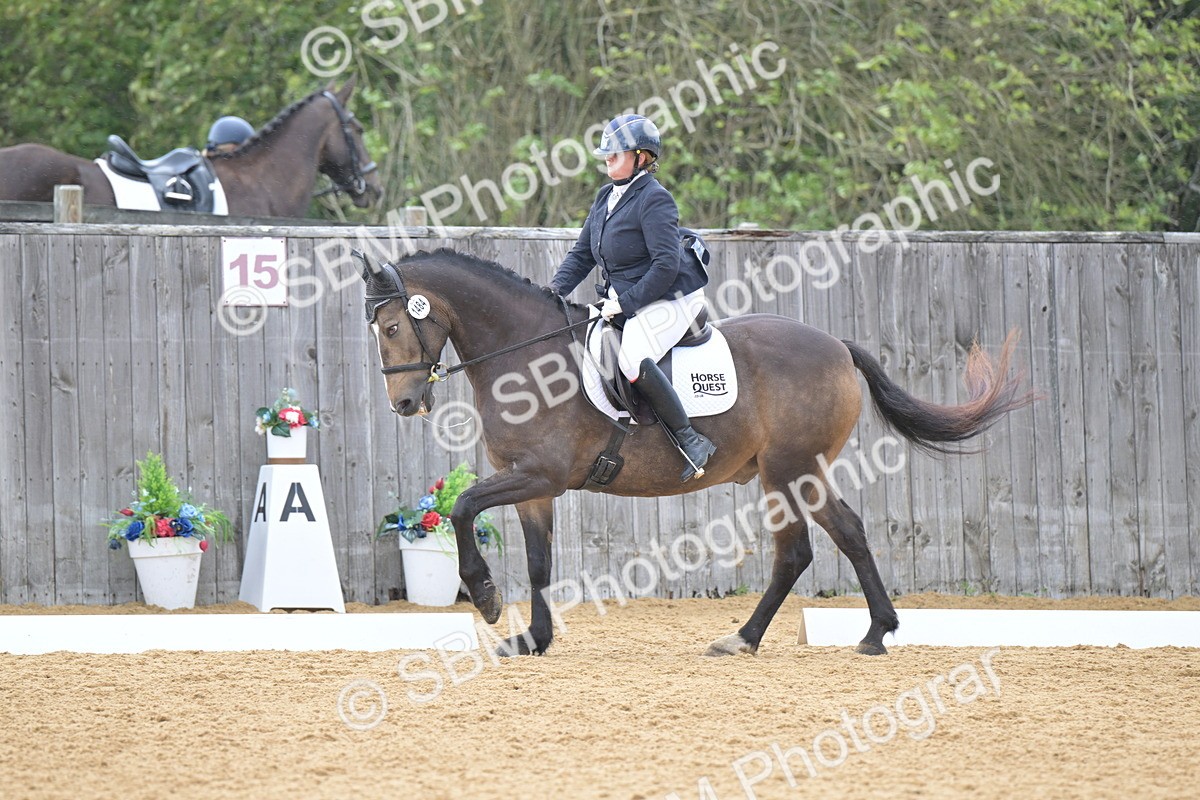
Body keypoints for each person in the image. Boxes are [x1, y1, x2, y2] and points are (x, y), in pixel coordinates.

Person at [550, 113, 715, 482]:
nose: (607, 158)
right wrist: (551, 293)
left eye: (616, 153)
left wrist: (624, 304)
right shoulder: (605, 197)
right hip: (627, 296)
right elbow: (582, 255)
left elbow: (666, 266)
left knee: (631, 359)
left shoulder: (655, 199)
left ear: (641, 157)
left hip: (671, 297)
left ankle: (691, 440)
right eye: (606, 153)